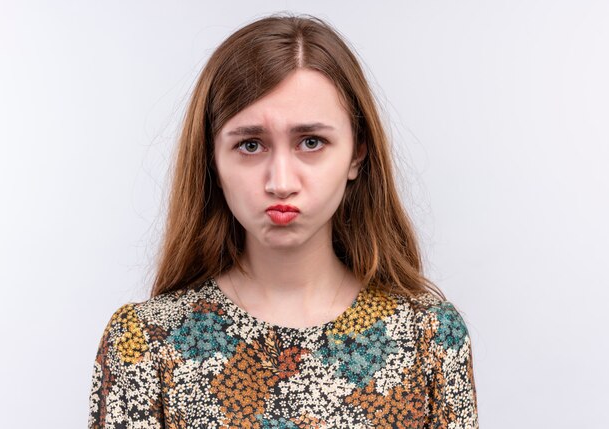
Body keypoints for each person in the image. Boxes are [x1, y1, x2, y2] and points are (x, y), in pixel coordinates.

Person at [88, 13, 479, 428]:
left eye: (311, 142)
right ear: (212, 160)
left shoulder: (429, 336)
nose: (280, 182)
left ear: (357, 154)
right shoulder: (145, 344)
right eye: (251, 145)